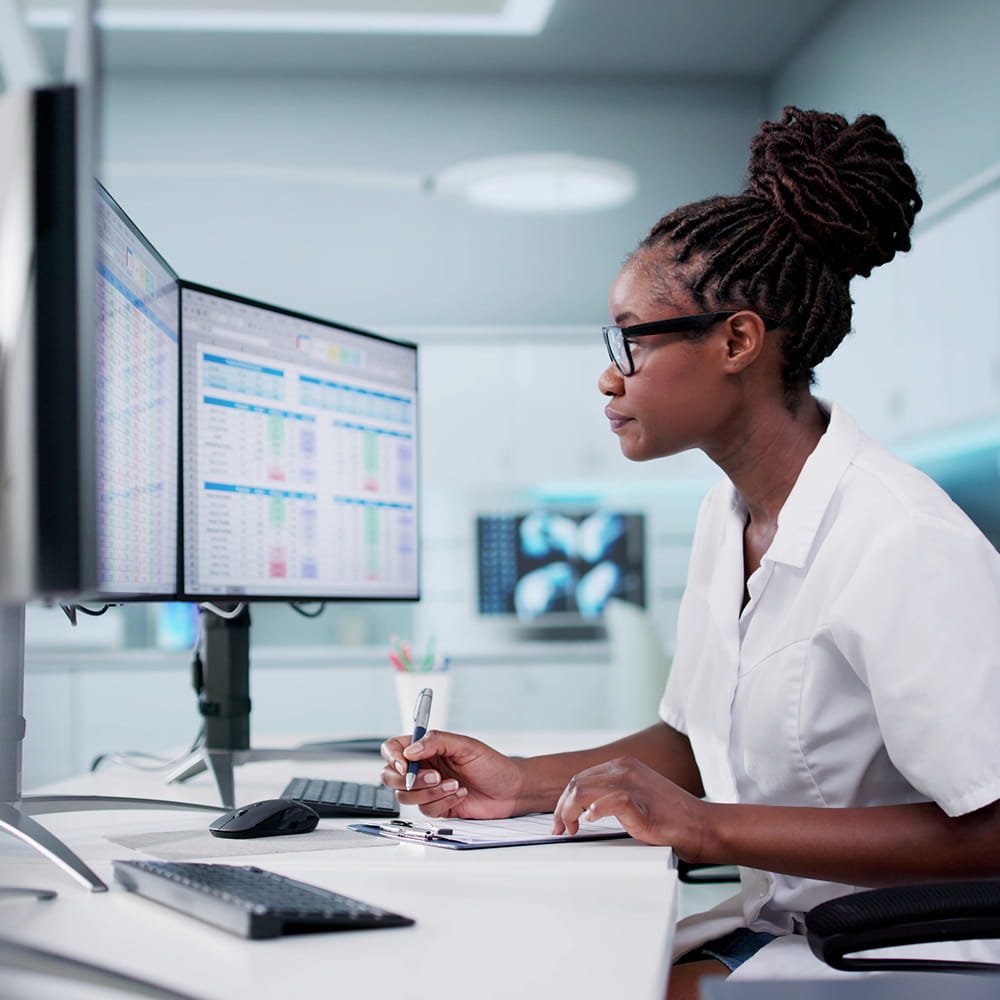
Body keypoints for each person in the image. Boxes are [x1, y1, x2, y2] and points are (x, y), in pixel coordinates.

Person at [380, 108, 1000, 997]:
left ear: (738, 342)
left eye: (630, 338)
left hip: (910, 958)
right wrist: (518, 783)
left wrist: (708, 828)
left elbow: (991, 829)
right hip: (783, 932)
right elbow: (695, 738)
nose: (608, 374)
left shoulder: (904, 541)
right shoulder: (728, 514)